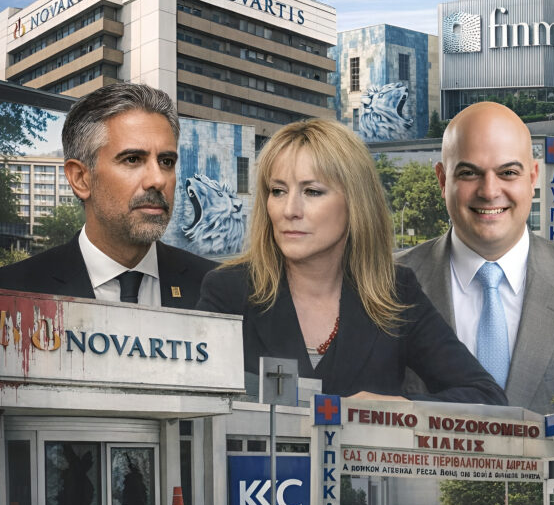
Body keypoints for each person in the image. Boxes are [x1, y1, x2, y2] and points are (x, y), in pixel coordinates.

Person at [196, 119, 506, 404]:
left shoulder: (396, 292)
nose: (289, 210)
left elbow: (487, 396)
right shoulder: (228, 291)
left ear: (355, 202)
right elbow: (192, 399)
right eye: (278, 191)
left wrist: (400, 409)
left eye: (312, 191)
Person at [398, 102, 554, 412]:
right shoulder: (381, 286)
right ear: (442, 179)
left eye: (508, 173)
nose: (489, 191)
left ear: (532, 178)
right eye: (469, 173)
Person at [0, 83, 214, 308]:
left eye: (167, 162)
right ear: (80, 178)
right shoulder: (10, 290)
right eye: (132, 159)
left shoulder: (218, 288)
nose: (158, 180)